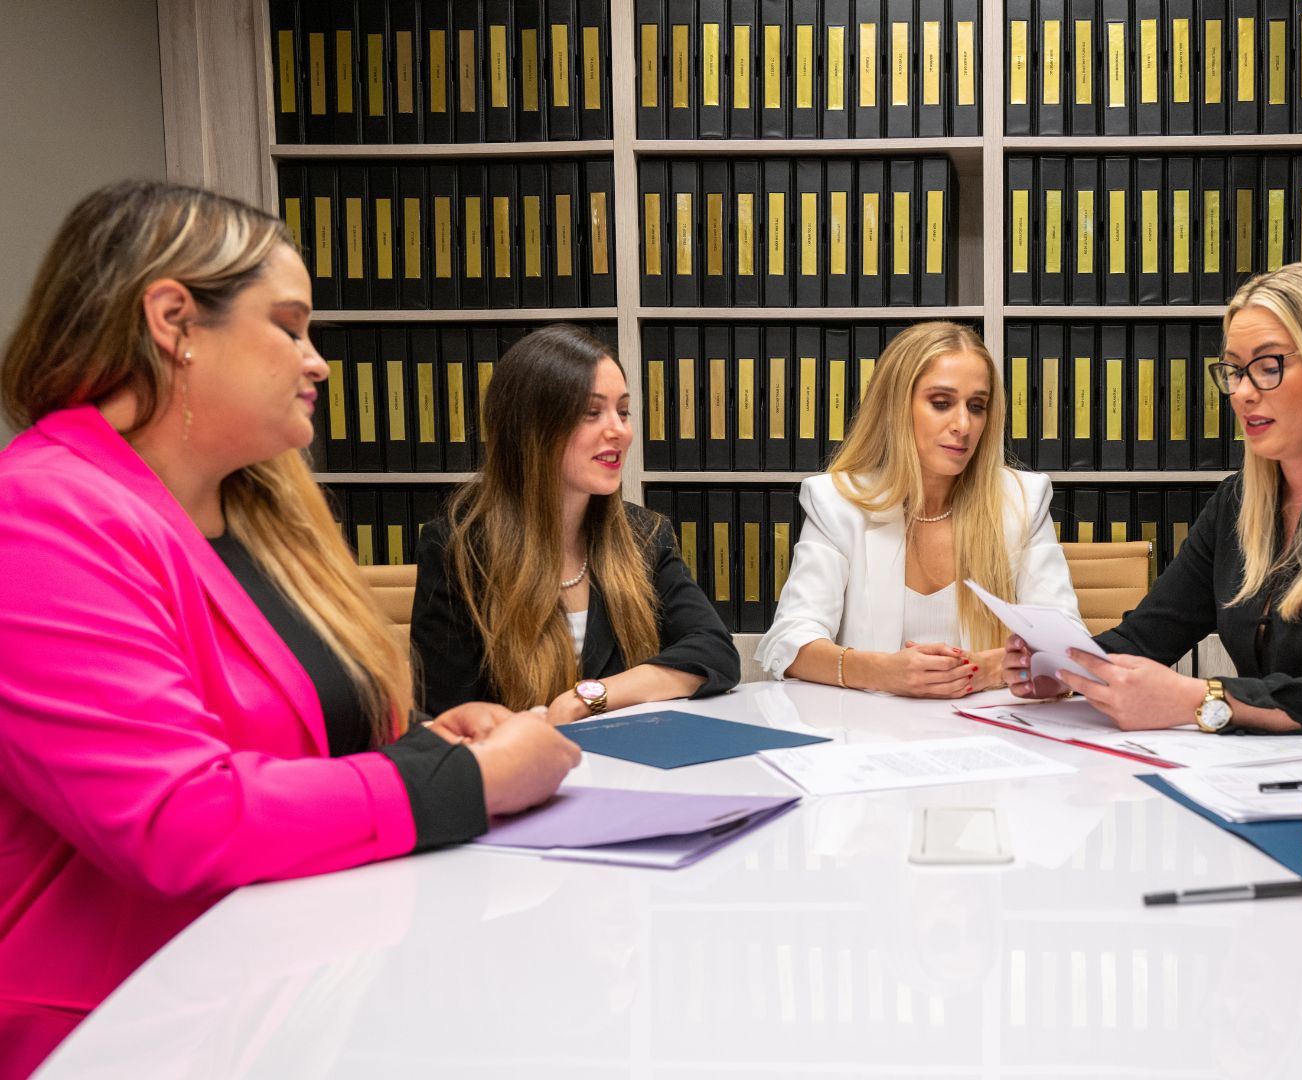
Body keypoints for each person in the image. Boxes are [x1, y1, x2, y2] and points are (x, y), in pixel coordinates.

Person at [0, 181, 579, 1078]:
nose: (319, 362)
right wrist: (457, 782)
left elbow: (299, 750)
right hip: (130, 1029)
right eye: (290, 325)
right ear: (174, 320)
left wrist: (426, 743)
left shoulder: (263, 513)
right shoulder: (36, 515)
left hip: (299, 993)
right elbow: (175, 818)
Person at [1007, 264, 1302, 743]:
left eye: (1268, 368)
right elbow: (1146, 637)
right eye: (1234, 371)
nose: (1243, 393)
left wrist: (1202, 698)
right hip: (1252, 769)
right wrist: (1064, 671)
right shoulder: (1239, 501)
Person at [412, 325, 739, 722]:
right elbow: (447, 715)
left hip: (631, 767)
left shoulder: (643, 535)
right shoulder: (457, 547)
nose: (619, 431)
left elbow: (715, 651)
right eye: (591, 412)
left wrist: (591, 696)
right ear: (530, 428)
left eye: (623, 411)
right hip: (522, 773)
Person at [755, 321, 1080, 697]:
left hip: (991, 735)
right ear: (896, 407)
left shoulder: (1023, 499)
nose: (963, 424)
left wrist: (987, 669)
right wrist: (881, 671)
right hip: (869, 737)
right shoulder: (837, 501)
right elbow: (789, 644)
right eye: (941, 403)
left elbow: (1068, 644)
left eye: (977, 406)